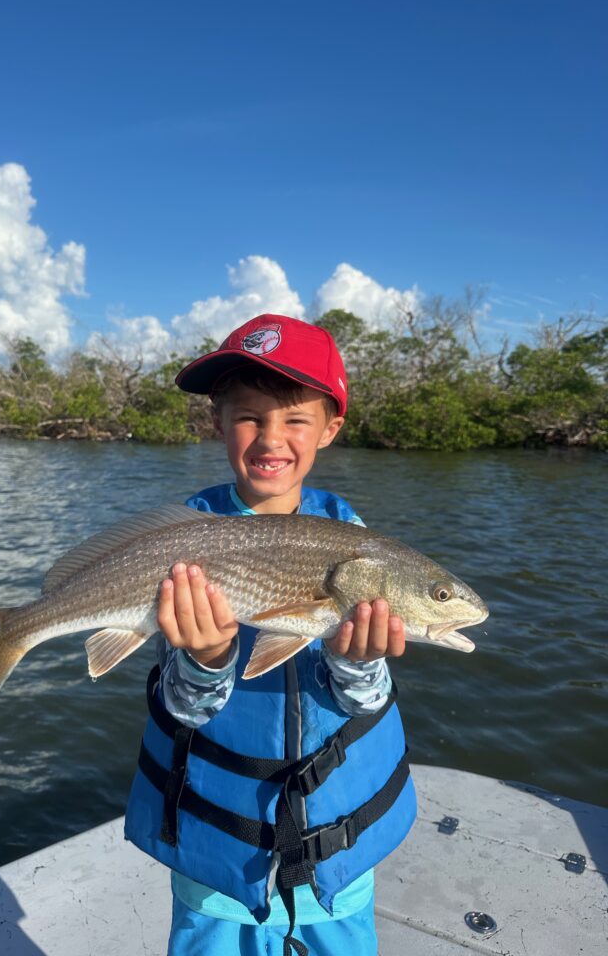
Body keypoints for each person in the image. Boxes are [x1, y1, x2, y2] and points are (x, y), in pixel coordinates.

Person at [124, 314, 416, 956]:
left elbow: (366, 703)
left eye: (295, 420)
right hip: (218, 868)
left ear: (331, 429)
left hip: (335, 864)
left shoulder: (356, 541)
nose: (270, 439)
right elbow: (182, 711)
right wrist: (205, 659)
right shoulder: (183, 544)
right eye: (249, 416)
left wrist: (358, 666)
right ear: (218, 422)